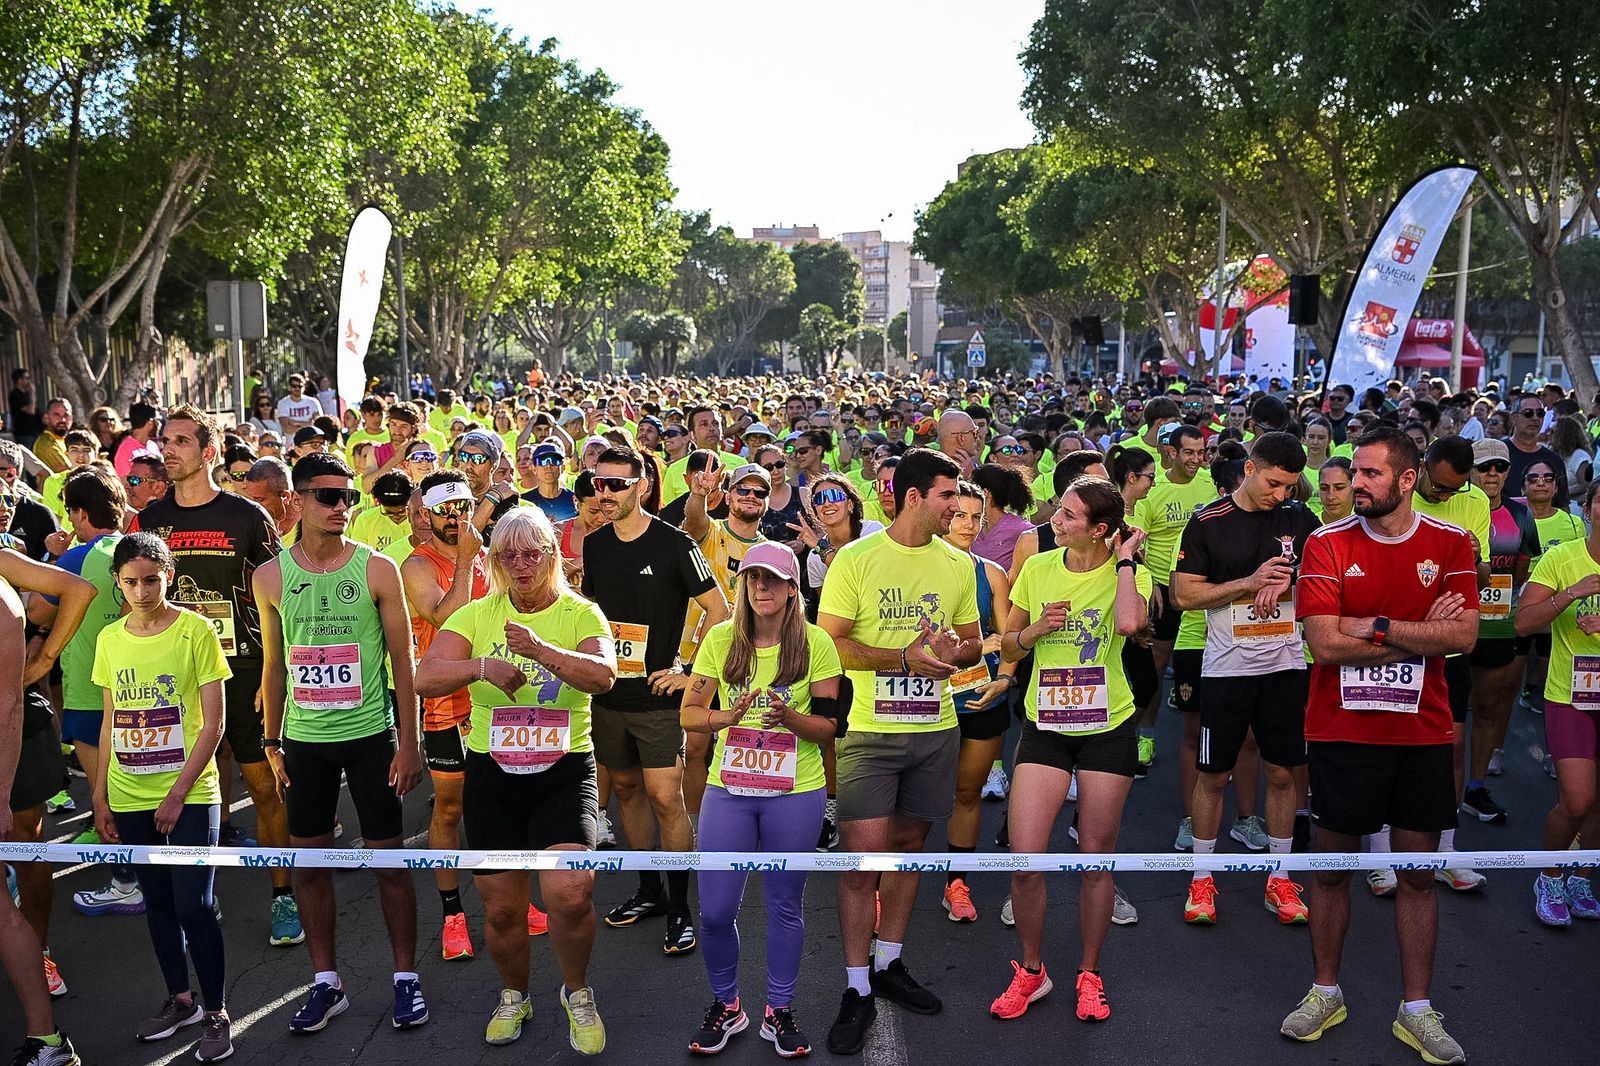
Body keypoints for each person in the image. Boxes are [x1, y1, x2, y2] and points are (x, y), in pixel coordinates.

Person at [1280, 424, 1477, 1065]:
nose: (1354, 486)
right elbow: (1325, 644)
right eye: (1354, 475)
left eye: (1369, 475)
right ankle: (1325, 990)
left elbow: (1467, 637)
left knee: (1419, 877)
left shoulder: (1452, 544)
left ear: (1407, 479)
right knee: (1332, 870)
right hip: (1342, 731)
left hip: (1421, 732)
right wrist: (1424, 633)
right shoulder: (1327, 543)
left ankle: (1416, 1009)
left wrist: (1382, 626)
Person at [415, 505, 616, 1053]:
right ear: (496, 561)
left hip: (564, 771)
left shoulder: (580, 613)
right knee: (502, 907)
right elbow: (424, 676)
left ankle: (577, 992)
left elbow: (603, 676)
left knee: (570, 893)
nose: (522, 565)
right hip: (493, 775)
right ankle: (514, 994)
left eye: (533, 554)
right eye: (509, 556)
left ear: (552, 556)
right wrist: (480, 668)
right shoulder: (477, 615)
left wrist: (538, 650)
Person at [817, 447, 982, 1056]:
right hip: (868, 732)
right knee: (863, 859)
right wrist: (902, 658)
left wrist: (952, 653)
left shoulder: (958, 564)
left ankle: (889, 960)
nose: (957, 507)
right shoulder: (856, 559)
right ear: (914, 496)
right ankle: (856, 985)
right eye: (947, 496)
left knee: (910, 847)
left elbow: (969, 645)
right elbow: (829, 645)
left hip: (934, 729)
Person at [255, 452, 427, 1033]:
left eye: (348, 497)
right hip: (305, 742)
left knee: (390, 865)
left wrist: (411, 740)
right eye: (328, 497)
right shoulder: (271, 575)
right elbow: (275, 666)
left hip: (371, 737)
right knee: (309, 866)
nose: (341, 507)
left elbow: (403, 660)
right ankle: (326, 981)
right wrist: (272, 742)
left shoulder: (378, 568)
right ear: (296, 502)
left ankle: (406, 978)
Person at [125, 404, 300, 939]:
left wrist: (277, 674)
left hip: (244, 670)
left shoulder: (246, 517)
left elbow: (280, 599)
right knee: (188, 788)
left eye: (180, 440)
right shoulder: (153, 521)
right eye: (165, 441)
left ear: (210, 451)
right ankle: (201, 895)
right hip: (173, 675)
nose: (168, 450)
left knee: (263, 785)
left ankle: (283, 895)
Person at [990, 477, 1149, 1022]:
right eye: (1058, 512)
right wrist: (1036, 630)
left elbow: (1130, 624)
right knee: (1025, 859)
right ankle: (1032, 971)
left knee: (1094, 862)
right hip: (1047, 725)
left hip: (1109, 726)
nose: (1056, 522)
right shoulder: (1037, 567)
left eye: (1069, 517)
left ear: (1100, 530)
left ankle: (1089, 973)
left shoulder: (1130, 573)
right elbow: (1008, 642)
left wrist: (1125, 562)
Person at [680, 542, 842, 1057]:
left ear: (794, 588)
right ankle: (727, 1005)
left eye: (772, 579)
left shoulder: (816, 644)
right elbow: (688, 714)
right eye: (752, 579)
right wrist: (725, 719)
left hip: (794, 790)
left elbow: (828, 728)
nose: (761, 588)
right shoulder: (721, 638)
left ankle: (780, 1008)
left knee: (784, 904)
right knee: (714, 910)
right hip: (729, 789)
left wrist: (787, 719)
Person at [90, 533, 233, 1061]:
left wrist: (177, 794)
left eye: (152, 579)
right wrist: (101, 798)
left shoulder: (196, 631)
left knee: (195, 905)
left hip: (191, 793)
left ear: (168, 575)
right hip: (128, 795)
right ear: (119, 583)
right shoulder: (110, 639)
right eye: (130, 581)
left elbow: (213, 723)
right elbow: (110, 721)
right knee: (157, 905)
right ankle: (181, 1000)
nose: (142, 590)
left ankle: (217, 1013)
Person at [582, 446, 728, 955]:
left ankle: (681, 907)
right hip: (608, 695)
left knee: (667, 799)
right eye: (599, 483)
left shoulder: (674, 543)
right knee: (625, 791)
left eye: (616, 485)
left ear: (642, 487)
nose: (605, 494)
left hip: (659, 700)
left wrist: (687, 670)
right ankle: (649, 891)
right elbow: (592, 611)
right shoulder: (594, 544)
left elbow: (720, 610)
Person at [1171, 432, 1320, 926]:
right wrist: (1249, 583)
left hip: (1284, 665)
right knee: (1214, 774)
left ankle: (1278, 877)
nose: (1281, 495)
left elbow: (1325, 578)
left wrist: (1288, 582)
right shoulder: (1208, 520)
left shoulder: (1300, 518)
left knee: (1282, 771)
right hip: (1227, 667)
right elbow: (1184, 596)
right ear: (1250, 468)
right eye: (1275, 484)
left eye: (1290, 486)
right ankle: (1202, 879)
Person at [401, 471, 493, 961]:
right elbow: (445, 617)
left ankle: (510, 902)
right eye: (446, 510)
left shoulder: (486, 555)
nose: (456, 518)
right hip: (446, 701)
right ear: (427, 516)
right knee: (451, 807)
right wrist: (463, 562)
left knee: (501, 800)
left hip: (493, 696)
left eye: (463, 507)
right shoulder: (416, 564)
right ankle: (453, 913)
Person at [1516, 477, 1600, 926]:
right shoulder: (1562, 557)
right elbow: (1524, 622)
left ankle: (1582, 877)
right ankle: (1549, 876)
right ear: (1588, 508)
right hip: (1572, 694)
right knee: (1579, 800)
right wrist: (1572, 593)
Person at [938, 480, 1018, 923]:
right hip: (925, 702)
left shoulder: (991, 572)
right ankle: (879, 887)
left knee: (967, 793)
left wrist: (1004, 679)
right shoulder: (921, 566)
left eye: (975, 516)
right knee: (906, 803)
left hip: (980, 697)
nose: (967, 524)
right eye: (958, 515)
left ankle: (957, 884)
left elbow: (1008, 639)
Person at [1461, 438, 1538, 827]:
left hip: (1496, 625)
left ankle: (1475, 787)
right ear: (1470, 471)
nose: (1492, 474)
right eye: (1484, 467)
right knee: (1449, 714)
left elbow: (1522, 569)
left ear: (1508, 473)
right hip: (1454, 625)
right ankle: (1439, 787)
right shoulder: (1454, 508)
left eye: (1500, 468)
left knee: (1489, 708)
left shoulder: (1520, 515)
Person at [1130, 424, 1212, 773]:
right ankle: (1145, 734)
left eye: (1201, 452)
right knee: (1157, 665)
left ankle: (1212, 744)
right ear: (1171, 453)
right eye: (1189, 452)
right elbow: (1137, 545)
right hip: (1163, 588)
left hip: (1203, 588)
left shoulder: (1208, 484)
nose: (1196, 459)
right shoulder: (1154, 490)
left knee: (1209, 665)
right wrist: (1147, 588)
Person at [521, 441, 578, 522]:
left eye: (554, 460)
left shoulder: (575, 500)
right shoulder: (524, 502)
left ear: (563, 467)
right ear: (534, 469)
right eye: (542, 461)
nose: (548, 466)